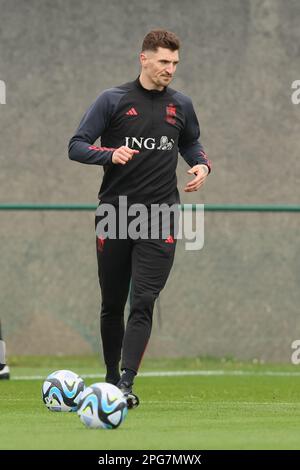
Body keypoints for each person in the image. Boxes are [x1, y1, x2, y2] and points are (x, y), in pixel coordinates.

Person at [68, 30, 211, 408]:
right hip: (115, 214)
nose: (171, 70)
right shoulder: (112, 100)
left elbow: (191, 141)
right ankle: (111, 378)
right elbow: (76, 145)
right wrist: (109, 154)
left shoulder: (182, 104)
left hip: (161, 215)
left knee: (144, 299)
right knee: (112, 303)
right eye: (164, 62)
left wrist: (201, 164)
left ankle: (127, 384)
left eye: (175, 63)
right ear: (143, 59)